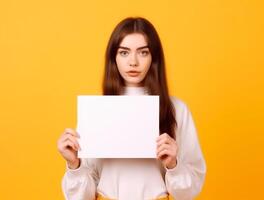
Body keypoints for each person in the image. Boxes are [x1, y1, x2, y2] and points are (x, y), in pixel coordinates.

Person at [57, 17, 206, 200]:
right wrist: (74, 164)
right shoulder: (98, 111)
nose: (133, 62)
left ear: (154, 57)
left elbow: (190, 192)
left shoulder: (176, 109)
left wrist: (173, 165)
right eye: (124, 52)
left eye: (143, 52)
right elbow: (82, 197)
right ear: (114, 57)